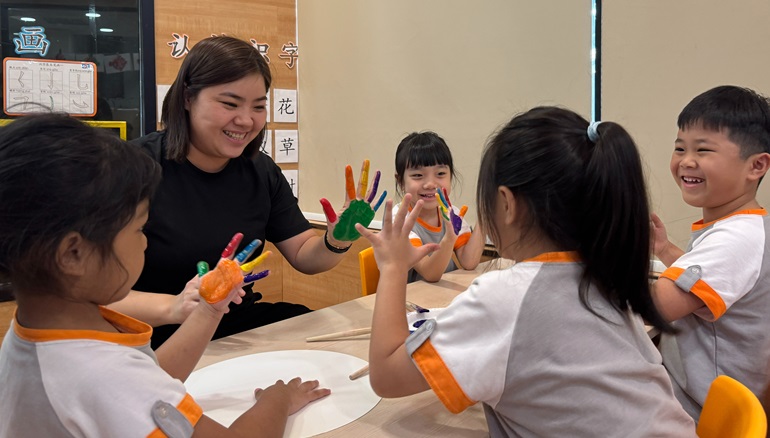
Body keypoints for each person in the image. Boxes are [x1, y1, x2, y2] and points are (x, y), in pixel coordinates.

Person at [357, 107, 696, 437]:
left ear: (507, 203)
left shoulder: (504, 297)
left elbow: (386, 376)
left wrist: (392, 268)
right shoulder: (607, 275)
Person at [0, 114, 330, 437]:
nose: (145, 241)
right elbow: (130, 386)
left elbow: (151, 375)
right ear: (73, 253)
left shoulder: (30, 334)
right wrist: (278, 400)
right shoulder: (103, 377)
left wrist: (210, 308)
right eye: (139, 228)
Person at [119, 35, 358, 348]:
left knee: (325, 345)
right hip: (151, 338)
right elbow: (84, 297)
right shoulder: (131, 169)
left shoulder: (261, 171)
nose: (246, 120)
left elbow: (304, 256)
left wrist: (336, 240)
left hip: (234, 329)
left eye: (258, 107)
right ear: (188, 98)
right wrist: (177, 307)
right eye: (229, 104)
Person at [650, 85, 770, 420]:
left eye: (703, 150)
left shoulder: (736, 238)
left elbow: (657, 306)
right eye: (680, 148)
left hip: (699, 410)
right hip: (691, 390)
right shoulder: (742, 226)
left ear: (756, 166)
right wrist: (665, 249)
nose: (686, 161)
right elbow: (709, 289)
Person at [393, 131, 485, 282]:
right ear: (400, 182)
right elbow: (430, 274)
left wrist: (485, 215)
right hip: (410, 300)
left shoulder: (451, 213)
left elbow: (469, 262)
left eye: (440, 173)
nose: (430, 184)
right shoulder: (400, 219)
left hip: (442, 296)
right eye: (417, 175)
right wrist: (449, 238)